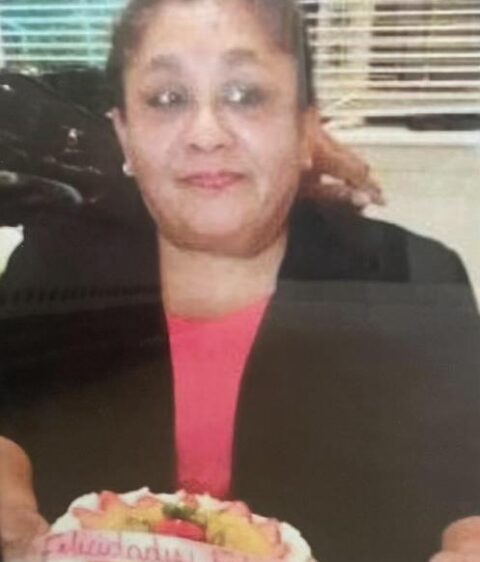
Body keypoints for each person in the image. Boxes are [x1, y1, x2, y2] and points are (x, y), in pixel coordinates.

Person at [1, 1, 479, 562]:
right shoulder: (61, 265)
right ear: (123, 135)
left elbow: (465, 491)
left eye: (246, 95)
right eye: (167, 99)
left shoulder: (409, 278)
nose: (206, 134)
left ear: (306, 129)